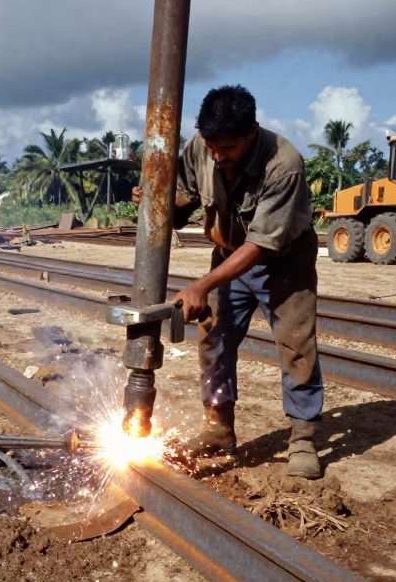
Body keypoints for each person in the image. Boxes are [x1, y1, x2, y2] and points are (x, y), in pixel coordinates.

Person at [133, 84, 323, 479]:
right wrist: (157, 200)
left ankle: (303, 438)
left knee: (296, 346)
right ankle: (219, 429)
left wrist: (202, 284)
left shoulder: (283, 163)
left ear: (251, 132)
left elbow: (261, 244)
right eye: (213, 147)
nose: (219, 157)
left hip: (284, 262)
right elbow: (184, 200)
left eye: (228, 150)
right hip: (226, 254)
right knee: (213, 341)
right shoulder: (200, 148)